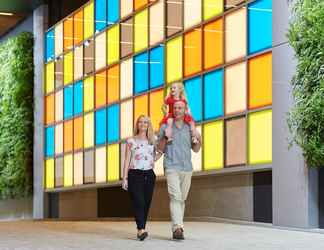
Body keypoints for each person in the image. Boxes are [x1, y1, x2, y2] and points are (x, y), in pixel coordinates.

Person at [158, 100, 201, 240]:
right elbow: (160, 148)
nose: (177, 110)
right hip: (171, 166)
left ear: (185, 110)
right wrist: (165, 136)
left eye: (180, 108)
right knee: (175, 197)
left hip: (187, 168)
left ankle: (179, 226)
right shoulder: (165, 126)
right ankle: (177, 227)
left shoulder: (190, 128)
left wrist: (199, 140)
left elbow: (196, 150)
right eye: (175, 108)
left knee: (182, 199)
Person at [122, 115, 161, 241]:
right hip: (134, 174)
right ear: (137, 124)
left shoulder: (153, 140)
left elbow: (154, 157)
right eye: (140, 122)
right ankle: (141, 230)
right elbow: (127, 160)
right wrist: (124, 178)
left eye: (145, 122)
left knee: (146, 202)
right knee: (139, 201)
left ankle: (141, 227)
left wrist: (160, 153)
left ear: (148, 125)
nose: (143, 124)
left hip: (149, 174)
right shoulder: (130, 141)